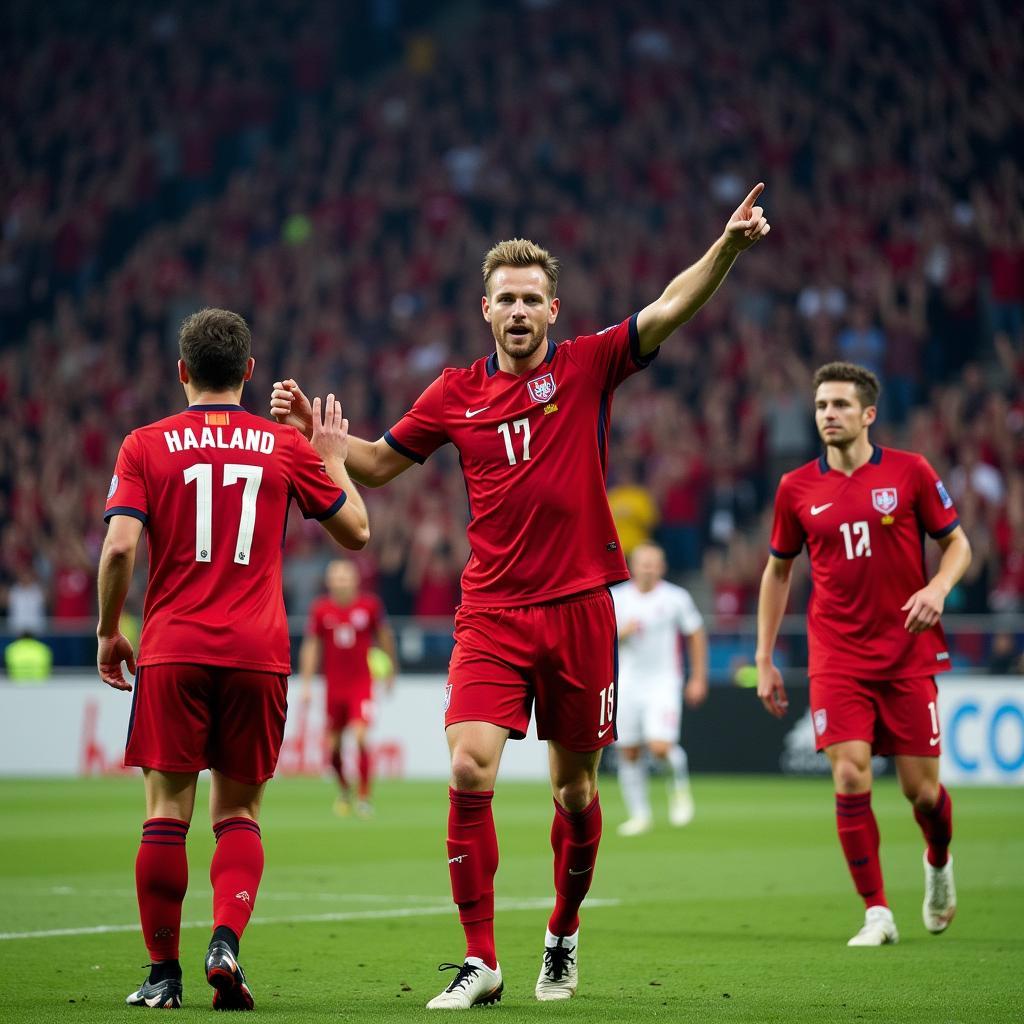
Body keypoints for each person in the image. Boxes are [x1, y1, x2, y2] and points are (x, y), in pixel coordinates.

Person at [271, 185, 770, 1008]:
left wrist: (727, 249)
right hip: (493, 613)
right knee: (469, 766)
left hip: (579, 611)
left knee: (575, 792)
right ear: (484, 309)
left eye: (532, 298)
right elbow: (375, 464)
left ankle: (562, 933)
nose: (517, 309)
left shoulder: (585, 366)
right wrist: (316, 446)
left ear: (552, 310)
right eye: (504, 297)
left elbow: (668, 308)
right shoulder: (451, 394)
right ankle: (481, 960)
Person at [97, 308, 369, 1011]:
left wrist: (106, 631)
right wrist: (331, 452)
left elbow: (121, 547)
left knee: (165, 812)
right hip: (257, 654)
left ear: (182, 371)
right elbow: (358, 534)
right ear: (249, 373)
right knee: (239, 812)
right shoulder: (282, 445)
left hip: (173, 649)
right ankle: (226, 939)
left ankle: (163, 976)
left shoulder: (144, 446)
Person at [755, 361, 971, 947]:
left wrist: (937, 588)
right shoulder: (795, 487)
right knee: (850, 777)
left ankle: (937, 861)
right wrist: (766, 655)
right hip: (837, 657)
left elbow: (957, 545)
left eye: (841, 405)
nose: (829, 414)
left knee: (921, 793)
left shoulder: (911, 473)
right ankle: (876, 911)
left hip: (908, 655)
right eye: (822, 405)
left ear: (868, 413)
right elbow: (778, 573)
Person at [612, 542, 708, 836]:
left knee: (659, 746)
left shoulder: (675, 598)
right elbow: (596, 640)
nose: (649, 568)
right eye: (643, 563)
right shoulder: (616, 598)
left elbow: (695, 634)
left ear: (662, 567)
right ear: (632, 566)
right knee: (628, 750)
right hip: (627, 681)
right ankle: (639, 815)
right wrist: (619, 633)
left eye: (654, 563)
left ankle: (678, 788)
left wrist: (698, 677)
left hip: (663, 681)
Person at [299, 557, 398, 817]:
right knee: (332, 749)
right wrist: (307, 683)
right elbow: (312, 646)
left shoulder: (369, 606)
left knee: (361, 737)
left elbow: (385, 637)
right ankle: (345, 789)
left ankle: (364, 796)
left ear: (355, 580)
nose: (340, 582)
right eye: (336, 578)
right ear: (329, 582)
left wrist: (391, 672)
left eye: (345, 577)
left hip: (361, 684)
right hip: (334, 687)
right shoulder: (321, 610)